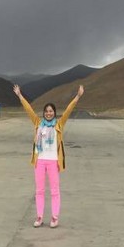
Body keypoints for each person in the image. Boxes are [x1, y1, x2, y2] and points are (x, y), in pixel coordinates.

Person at [13, 84, 84, 229]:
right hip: (39, 161)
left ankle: (54, 217)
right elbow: (29, 110)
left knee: (54, 191)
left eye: (51, 111)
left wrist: (77, 96)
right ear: (44, 113)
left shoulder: (59, 124)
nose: (48, 113)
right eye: (46, 111)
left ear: (54, 113)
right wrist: (20, 96)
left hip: (53, 162)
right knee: (39, 190)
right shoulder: (38, 123)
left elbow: (68, 110)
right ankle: (39, 217)